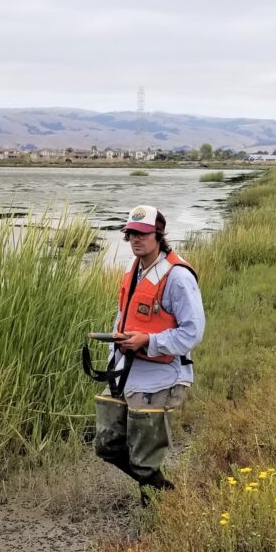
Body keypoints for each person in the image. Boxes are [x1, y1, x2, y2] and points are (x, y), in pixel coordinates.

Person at [92, 204, 204, 497]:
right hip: (126, 372)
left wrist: (148, 342)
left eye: (143, 234)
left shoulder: (178, 277)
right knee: (106, 444)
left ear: (159, 234)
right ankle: (161, 490)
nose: (136, 240)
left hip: (162, 374)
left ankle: (157, 502)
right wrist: (114, 356)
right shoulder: (133, 270)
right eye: (131, 235)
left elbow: (192, 333)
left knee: (144, 459)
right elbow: (122, 316)